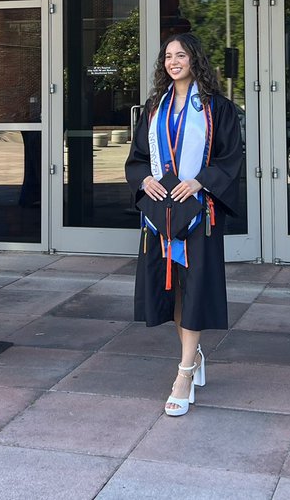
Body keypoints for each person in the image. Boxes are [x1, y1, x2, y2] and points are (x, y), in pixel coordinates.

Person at [125, 32, 243, 417]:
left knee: (193, 291)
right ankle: (193, 356)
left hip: (197, 213)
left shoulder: (216, 108)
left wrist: (200, 181)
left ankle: (185, 372)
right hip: (160, 215)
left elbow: (229, 157)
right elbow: (139, 156)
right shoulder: (153, 108)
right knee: (174, 292)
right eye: (168, 56)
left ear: (195, 59)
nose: (173, 61)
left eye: (181, 54)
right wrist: (144, 180)